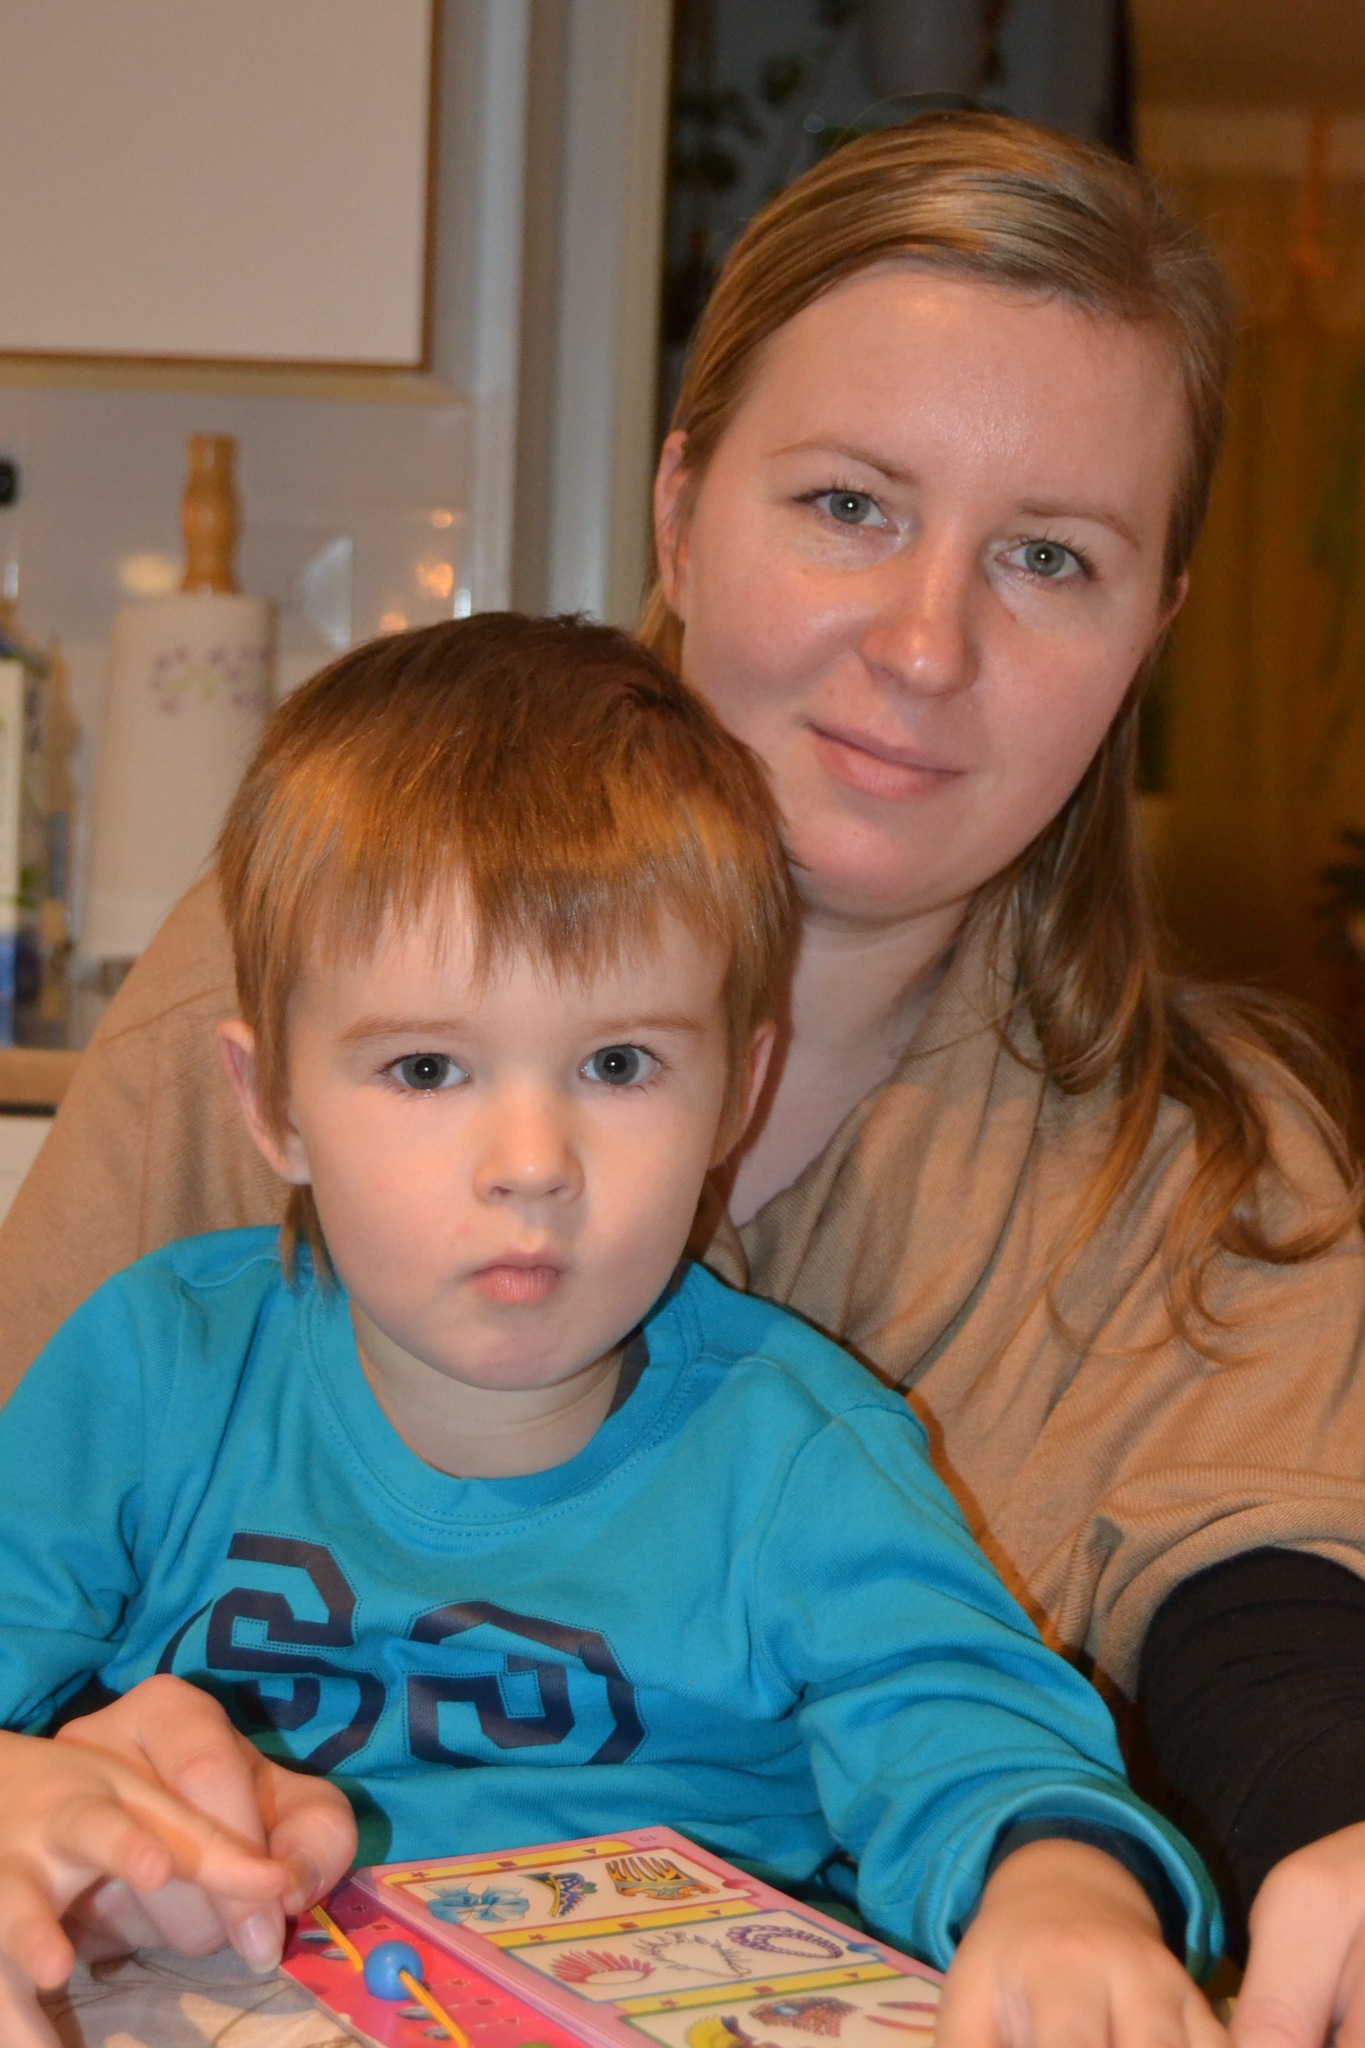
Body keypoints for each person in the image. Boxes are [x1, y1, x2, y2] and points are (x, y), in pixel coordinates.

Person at [4, 111, 1365, 2045]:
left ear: (1150, 632)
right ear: (679, 508)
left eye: (1049, 556)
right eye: (848, 505)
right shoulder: (290, 953)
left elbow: (1265, 1642)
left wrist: (1283, 1843)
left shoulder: (1205, 1171)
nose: (924, 643)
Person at [0, 614, 1224, 2048]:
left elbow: (972, 1733)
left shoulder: (793, 1457)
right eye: (427, 1068)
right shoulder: (160, 1372)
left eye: (619, 1063)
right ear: (272, 1105)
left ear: (735, 1094)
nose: (532, 1163)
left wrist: (1063, 1892)